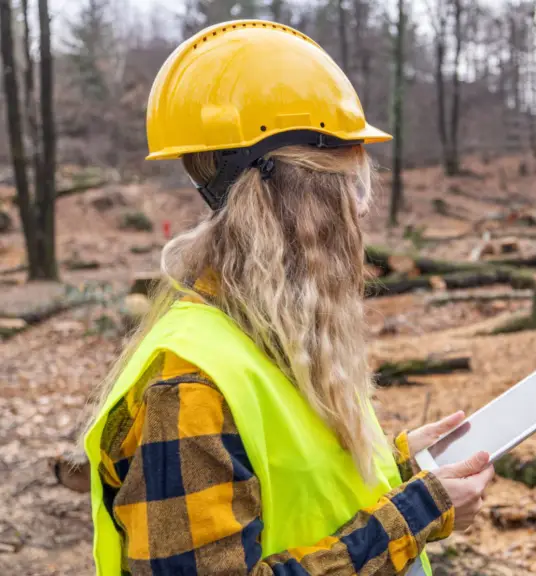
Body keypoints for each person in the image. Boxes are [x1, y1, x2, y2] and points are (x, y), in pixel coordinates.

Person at [82, 20, 494, 576]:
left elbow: (293, 489)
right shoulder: (189, 388)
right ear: (302, 195)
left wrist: (399, 467)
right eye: (354, 184)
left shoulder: (265, 332)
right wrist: (414, 514)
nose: (363, 208)